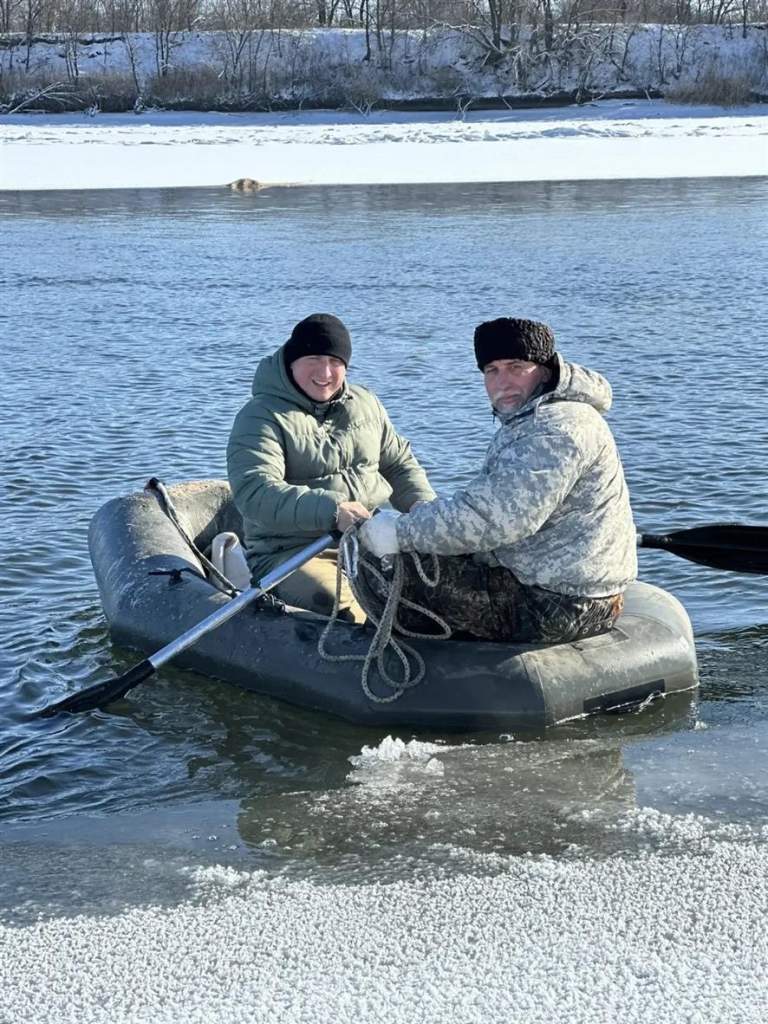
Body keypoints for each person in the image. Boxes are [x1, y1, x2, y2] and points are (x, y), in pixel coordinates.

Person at [358, 317, 638, 644]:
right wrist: (427, 522)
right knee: (439, 551)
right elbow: (491, 506)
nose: (502, 381)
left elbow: (496, 520)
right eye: (492, 370)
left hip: (555, 604)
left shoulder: (555, 429)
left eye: (516, 367)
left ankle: (397, 658)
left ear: (545, 370)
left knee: (382, 564)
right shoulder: (539, 415)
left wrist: (397, 532)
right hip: (566, 584)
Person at [227, 313, 435, 621]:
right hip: (292, 554)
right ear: (291, 361)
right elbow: (255, 492)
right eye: (313, 359)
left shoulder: (366, 404)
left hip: (371, 542)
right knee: (339, 605)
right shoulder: (260, 417)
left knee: (436, 594)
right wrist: (332, 511)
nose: (325, 372)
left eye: (335, 361)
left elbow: (400, 463)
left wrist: (424, 508)